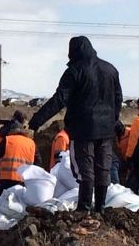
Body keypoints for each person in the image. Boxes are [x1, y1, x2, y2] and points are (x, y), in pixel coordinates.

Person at [28, 36, 122, 213]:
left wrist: (37, 120)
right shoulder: (110, 69)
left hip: (83, 130)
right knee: (103, 168)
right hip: (106, 131)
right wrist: (112, 120)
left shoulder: (75, 71)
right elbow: (118, 99)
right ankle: (100, 208)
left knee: (85, 169)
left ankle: (84, 208)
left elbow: (59, 99)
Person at [0, 111, 42, 194]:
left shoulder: (7, 139)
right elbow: (38, 162)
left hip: (7, 178)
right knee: (20, 200)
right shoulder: (31, 143)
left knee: (4, 199)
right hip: (24, 179)